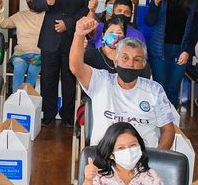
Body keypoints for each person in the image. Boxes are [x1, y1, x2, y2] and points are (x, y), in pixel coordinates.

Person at [71, 17, 176, 150]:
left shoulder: (155, 90)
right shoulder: (100, 81)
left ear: (144, 64)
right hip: (106, 155)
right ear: (115, 61)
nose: (130, 63)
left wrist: (157, 157)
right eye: (125, 58)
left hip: (144, 156)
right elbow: (76, 67)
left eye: (137, 59)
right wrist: (79, 35)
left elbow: (168, 130)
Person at [29, 0, 95, 127]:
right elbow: (35, 5)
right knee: (48, 78)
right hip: (50, 38)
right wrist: (46, 2)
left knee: (69, 78)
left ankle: (67, 116)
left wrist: (69, 23)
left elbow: (86, 9)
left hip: (72, 38)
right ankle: (48, 114)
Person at [145, 0, 198, 108]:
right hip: (159, 49)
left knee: (173, 87)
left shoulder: (194, 0)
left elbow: (196, 29)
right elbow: (149, 21)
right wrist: (155, 3)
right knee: (159, 86)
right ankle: (157, 118)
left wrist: (188, 50)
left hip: (181, 51)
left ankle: (172, 118)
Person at [0, 0, 44, 89]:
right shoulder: (20, 15)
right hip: (21, 54)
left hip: (39, 54)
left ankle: (26, 95)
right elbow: (3, 24)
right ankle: (16, 96)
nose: (31, 0)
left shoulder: (46, 15)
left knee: (34, 68)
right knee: (19, 67)